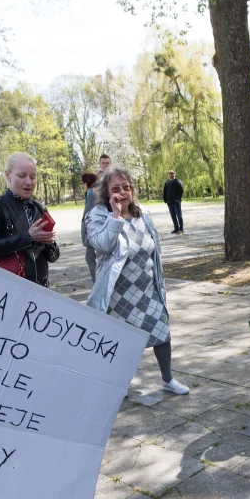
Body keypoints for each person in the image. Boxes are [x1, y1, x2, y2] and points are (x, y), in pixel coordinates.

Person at [86, 166, 190, 395]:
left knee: (161, 331)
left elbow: (154, 248)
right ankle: (117, 385)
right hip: (118, 292)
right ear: (106, 192)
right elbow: (101, 245)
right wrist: (115, 215)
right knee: (121, 342)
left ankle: (168, 379)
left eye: (126, 187)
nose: (122, 192)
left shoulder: (142, 212)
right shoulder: (98, 215)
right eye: (115, 188)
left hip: (147, 286)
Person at [0, 152, 60, 286]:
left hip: (42, 288)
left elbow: (53, 257)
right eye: (22, 176)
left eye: (33, 177)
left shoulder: (40, 208)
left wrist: (50, 243)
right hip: (11, 288)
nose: (28, 182)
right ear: (8, 175)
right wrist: (28, 237)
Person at [82, 154, 111, 282]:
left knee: (94, 257)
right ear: (99, 164)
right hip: (98, 222)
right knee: (94, 256)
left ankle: (98, 282)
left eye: (107, 163)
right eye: (103, 163)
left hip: (105, 223)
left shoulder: (113, 179)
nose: (105, 165)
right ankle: (100, 281)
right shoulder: (97, 182)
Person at [162, 169, 185, 234]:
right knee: (173, 215)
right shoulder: (167, 183)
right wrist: (165, 200)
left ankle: (181, 229)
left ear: (174, 174)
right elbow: (165, 191)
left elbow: (181, 190)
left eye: (172, 173)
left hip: (176, 202)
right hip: (169, 202)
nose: (171, 174)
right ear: (168, 175)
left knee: (179, 215)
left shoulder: (178, 181)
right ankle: (176, 228)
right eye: (169, 173)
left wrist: (178, 199)